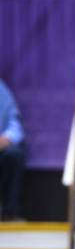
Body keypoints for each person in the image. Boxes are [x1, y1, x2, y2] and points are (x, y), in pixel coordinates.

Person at [0, 79, 26, 221]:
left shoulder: (1, 90)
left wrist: (7, 138)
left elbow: (14, 123)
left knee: (13, 155)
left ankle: (10, 214)